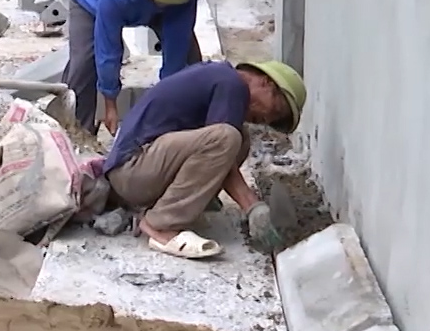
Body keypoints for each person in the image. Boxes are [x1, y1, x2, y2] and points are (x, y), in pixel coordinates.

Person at [96, 59, 306, 260]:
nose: (266, 120)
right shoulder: (231, 84)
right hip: (131, 170)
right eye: (275, 110)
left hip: (136, 172)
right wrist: (252, 206)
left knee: (239, 138)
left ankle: (191, 203)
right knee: (227, 138)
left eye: (273, 121)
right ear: (267, 83)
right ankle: (160, 224)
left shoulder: (222, 78)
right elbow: (220, 146)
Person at [64, 0, 203, 135]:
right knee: (84, 64)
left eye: (169, 2)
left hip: (154, 3)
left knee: (191, 60)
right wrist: (110, 104)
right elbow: (108, 49)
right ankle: (79, 133)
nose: (164, 5)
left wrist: (168, 103)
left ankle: (192, 123)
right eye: (161, 1)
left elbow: (177, 45)